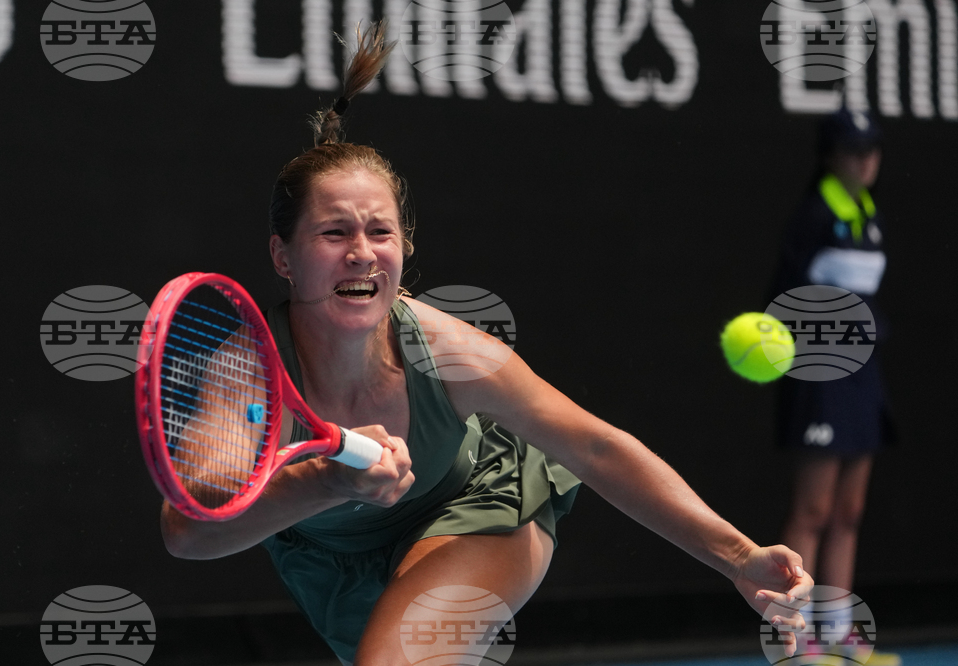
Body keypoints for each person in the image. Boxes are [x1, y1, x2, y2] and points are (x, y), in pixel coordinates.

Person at [161, 23, 812, 665]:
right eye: (333, 232)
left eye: (379, 232)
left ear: (403, 247)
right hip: (334, 567)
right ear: (284, 255)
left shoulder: (448, 351)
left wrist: (738, 557)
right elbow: (188, 533)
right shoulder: (246, 373)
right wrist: (325, 485)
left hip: (480, 503)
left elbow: (593, 446)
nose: (361, 254)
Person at [771, 107, 898, 666]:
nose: (865, 160)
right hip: (821, 376)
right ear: (830, 156)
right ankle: (797, 643)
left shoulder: (867, 215)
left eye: (871, 149)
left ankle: (841, 636)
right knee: (813, 510)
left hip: (863, 377)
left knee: (849, 509)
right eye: (853, 150)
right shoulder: (813, 214)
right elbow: (782, 298)